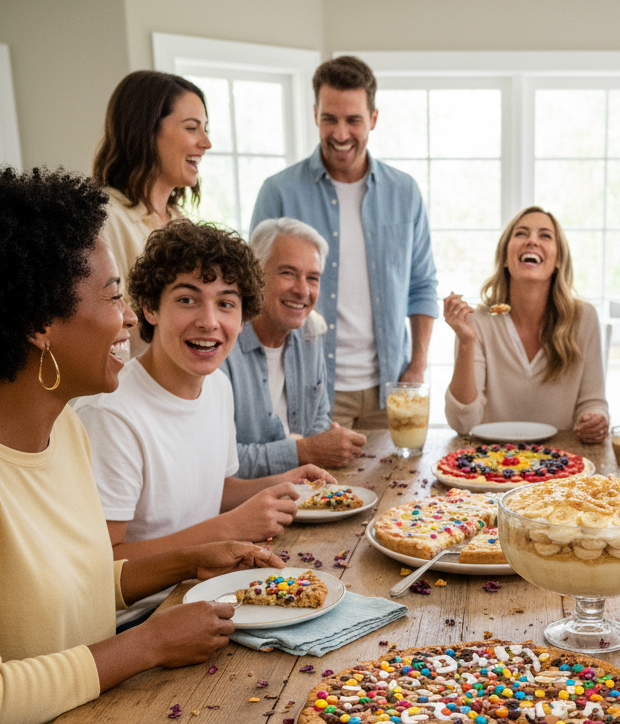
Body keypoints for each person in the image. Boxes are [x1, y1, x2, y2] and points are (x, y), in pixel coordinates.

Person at [0, 167, 281, 724]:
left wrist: (190, 559)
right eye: (111, 297)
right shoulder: (96, 420)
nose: (128, 319)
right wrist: (146, 643)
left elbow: (82, 588)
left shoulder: (65, 431)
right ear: (38, 324)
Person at [76, 219, 333, 628]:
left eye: (226, 303)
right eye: (187, 300)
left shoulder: (217, 387)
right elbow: (102, 562)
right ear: (150, 307)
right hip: (142, 620)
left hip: (207, 591)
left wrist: (279, 484)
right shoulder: (112, 414)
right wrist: (228, 528)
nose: (209, 321)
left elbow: (216, 489)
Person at [250, 55, 438, 430]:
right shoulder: (279, 192)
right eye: (329, 119)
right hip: (308, 386)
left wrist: (416, 366)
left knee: (397, 487)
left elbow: (422, 286)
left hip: (391, 389)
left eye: (353, 120)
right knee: (322, 490)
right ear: (315, 114)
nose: (340, 134)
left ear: (373, 118)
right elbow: (253, 291)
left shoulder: (405, 192)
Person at [443, 207, 609, 440]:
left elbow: (592, 403)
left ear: (558, 259)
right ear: (504, 258)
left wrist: (594, 419)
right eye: (521, 233)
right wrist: (465, 342)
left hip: (562, 463)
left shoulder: (584, 319)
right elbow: (462, 423)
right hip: (492, 463)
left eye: (545, 235)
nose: (532, 240)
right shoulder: (477, 322)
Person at [220, 218, 366, 477]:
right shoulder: (220, 344)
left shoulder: (311, 330)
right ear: (254, 275)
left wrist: (325, 443)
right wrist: (304, 451)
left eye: (313, 278)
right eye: (287, 273)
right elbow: (221, 461)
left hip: (302, 491)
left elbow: (318, 420)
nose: (302, 290)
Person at [93, 71, 211, 358]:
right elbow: (103, 333)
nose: (206, 143)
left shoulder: (180, 222)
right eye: (192, 128)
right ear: (146, 130)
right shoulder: (104, 219)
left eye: (205, 128)